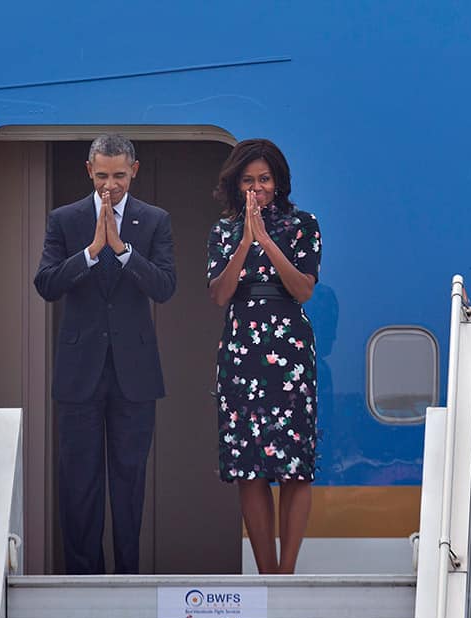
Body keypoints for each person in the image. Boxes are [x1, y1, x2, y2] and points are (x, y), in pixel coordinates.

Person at [34, 134, 176, 575]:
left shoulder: (154, 220)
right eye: (101, 176)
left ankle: (128, 579)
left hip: (135, 374)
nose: (109, 186)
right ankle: (82, 580)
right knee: (79, 484)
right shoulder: (66, 219)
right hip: (80, 373)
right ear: (88, 171)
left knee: (130, 482)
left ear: (134, 170)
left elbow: (165, 287)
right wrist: (92, 252)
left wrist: (123, 250)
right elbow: (47, 284)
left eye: (118, 175)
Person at [206, 139, 322, 574]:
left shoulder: (303, 225)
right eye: (249, 180)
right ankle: (266, 574)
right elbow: (219, 294)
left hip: (289, 347)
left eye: (265, 179)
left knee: (296, 467)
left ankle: (287, 573)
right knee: (248, 466)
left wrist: (267, 241)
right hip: (242, 350)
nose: (258, 188)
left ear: (279, 181)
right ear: (237, 184)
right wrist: (244, 241)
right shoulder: (223, 230)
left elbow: (303, 289)